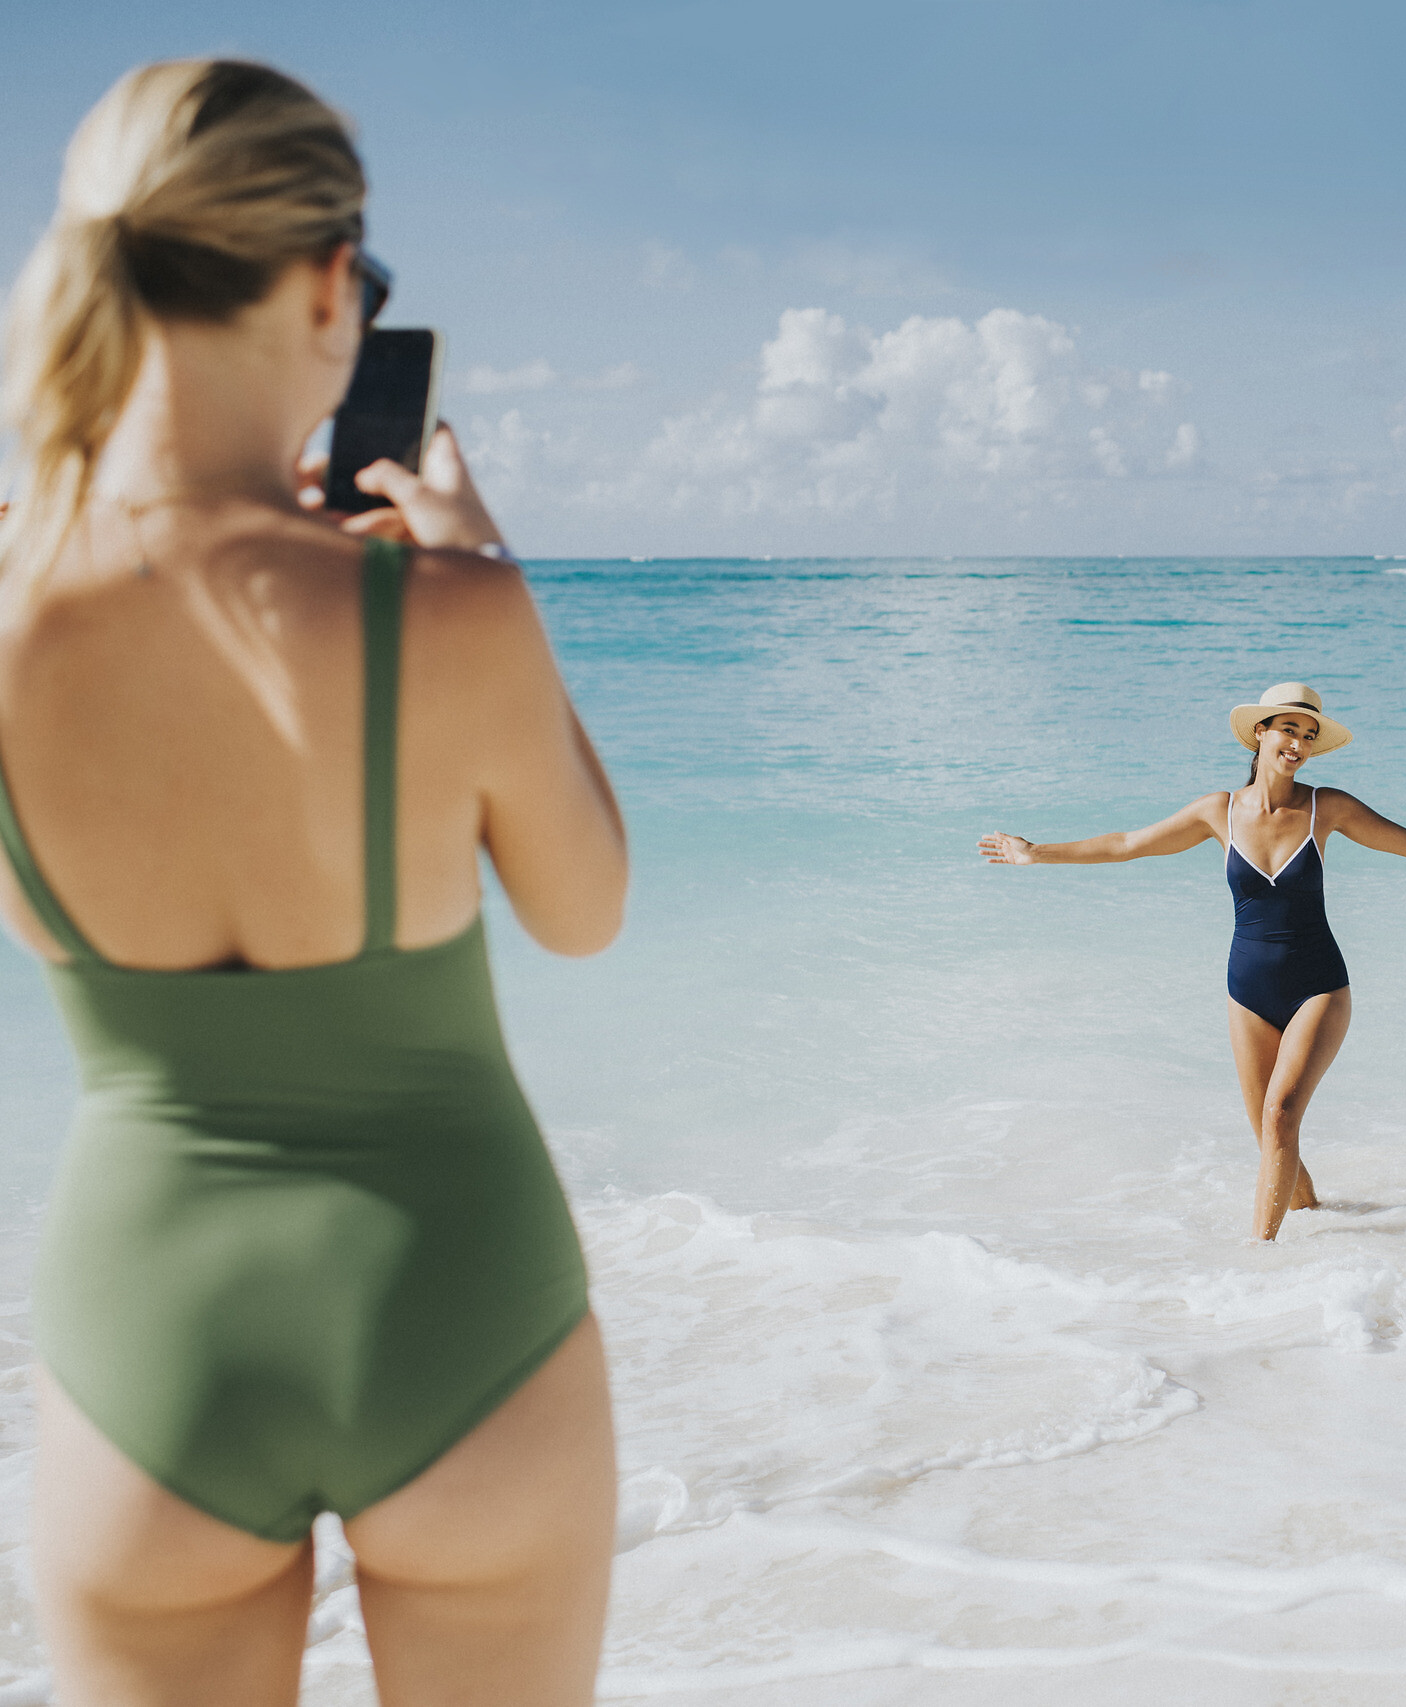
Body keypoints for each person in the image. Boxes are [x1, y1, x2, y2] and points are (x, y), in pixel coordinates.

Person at [0, 62, 626, 1705]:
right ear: (333, 285)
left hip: (148, 1342)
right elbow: (583, 913)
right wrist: (476, 574)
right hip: (460, 1305)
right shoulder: (445, 613)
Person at [979, 682, 1406, 1241]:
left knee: (1281, 1115)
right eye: (1289, 729)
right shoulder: (1218, 811)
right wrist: (1037, 853)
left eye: (1308, 736)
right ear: (1260, 732)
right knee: (1269, 1133)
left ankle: (1258, 1259)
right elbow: (1128, 844)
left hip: (1318, 987)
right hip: (1247, 994)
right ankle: (1316, 1222)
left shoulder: (1326, 808)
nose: (1298, 745)